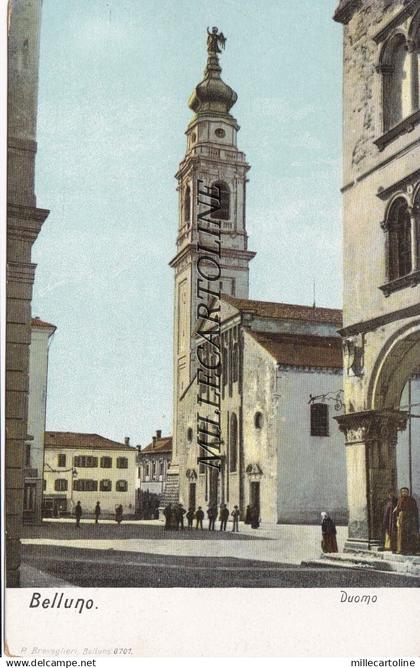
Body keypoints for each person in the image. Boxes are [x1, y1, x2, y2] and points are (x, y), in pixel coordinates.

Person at [395, 487, 419, 555]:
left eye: (406, 491)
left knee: (409, 535)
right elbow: (398, 510)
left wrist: (414, 519)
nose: (404, 493)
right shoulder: (399, 500)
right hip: (402, 519)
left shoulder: (411, 500)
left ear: (408, 492)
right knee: (402, 535)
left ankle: (410, 550)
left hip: (409, 519)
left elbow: (415, 510)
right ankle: (402, 550)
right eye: (403, 492)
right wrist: (397, 518)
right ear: (401, 493)